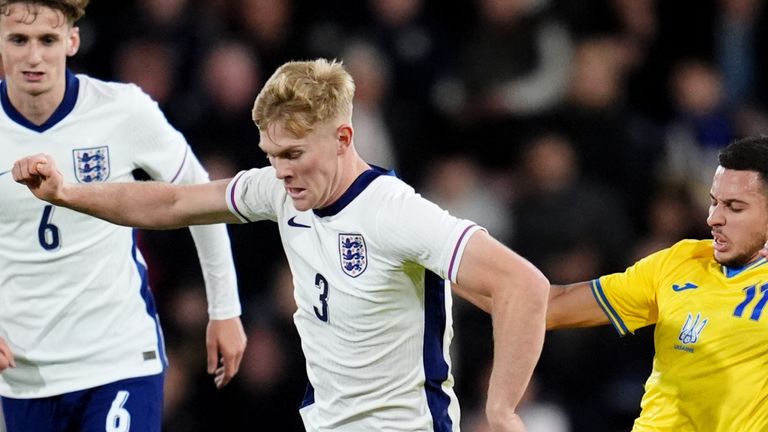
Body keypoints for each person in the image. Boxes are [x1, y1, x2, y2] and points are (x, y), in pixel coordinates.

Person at [13, 58, 550, 431]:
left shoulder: (395, 212)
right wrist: (66, 193)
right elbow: (171, 203)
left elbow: (523, 285)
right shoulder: (278, 191)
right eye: (271, 154)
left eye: (293, 153)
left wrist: (501, 410)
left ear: (343, 139)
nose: (281, 170)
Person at [0, 1, 246, 431]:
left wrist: (225, 309)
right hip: (26, 375)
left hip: (119, 359)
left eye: (48, 40)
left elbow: (198, 199)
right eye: (19, 40)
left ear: (72, 41)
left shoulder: (122, 110)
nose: (34, 56)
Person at [458, 136, 768, 431]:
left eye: (735, 207)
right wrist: (443, 260)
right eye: (714, 202)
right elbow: (547, 307)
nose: (713, 218)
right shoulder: (679, 262)